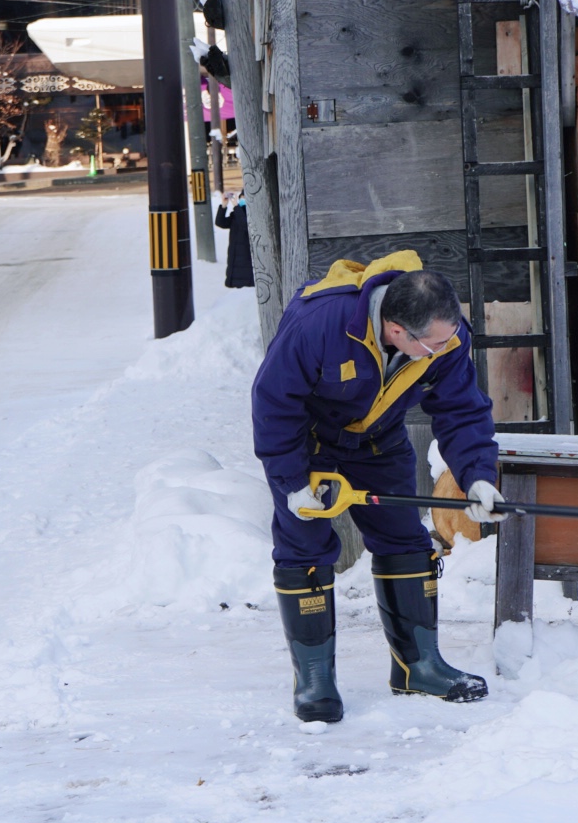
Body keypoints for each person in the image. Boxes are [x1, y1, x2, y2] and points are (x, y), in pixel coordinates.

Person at [252, 251, 506, 723]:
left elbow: (462, 410)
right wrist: (291, 483)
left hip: (377, 440)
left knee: (405, 541)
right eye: (431, 346)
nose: (442, 350)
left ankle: (418, 666)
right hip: (307, 444)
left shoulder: (445, 337)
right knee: (304, 548)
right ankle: (315, 681)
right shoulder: (320, 324)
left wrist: (477, 477)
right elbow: (273, 402)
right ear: (396, 331)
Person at [215, 190, 253, 289]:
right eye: (241, 197)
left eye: (244, 198)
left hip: (246, 257)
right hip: (234, 255)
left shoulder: (252, 214)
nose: (241, 200)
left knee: (245, 286)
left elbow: (245, 225)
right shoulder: (237, 214)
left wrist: (236, 207)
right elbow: (220, 222)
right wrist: (224, 206)